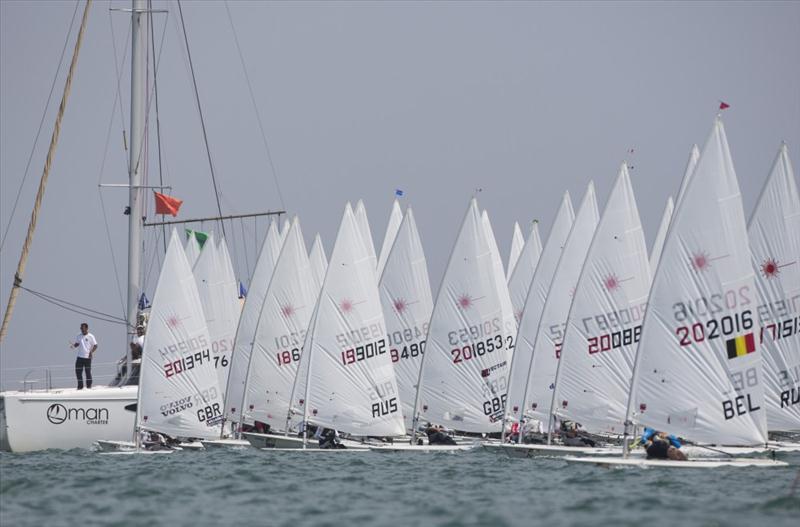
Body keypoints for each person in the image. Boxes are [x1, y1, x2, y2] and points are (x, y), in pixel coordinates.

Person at [71, 322, 97, 389]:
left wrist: (91, 352)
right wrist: (73, 345)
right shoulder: (78, 335)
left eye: (83, 328)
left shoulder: (91, 336)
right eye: (81, 328)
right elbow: (77, 343)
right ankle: (80, 386)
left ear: (86, 328)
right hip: (79, 357)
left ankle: (89, 386)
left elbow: (95, 345)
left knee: (88, 372)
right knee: (78, 371)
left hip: (87, 357)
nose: (81, 329)